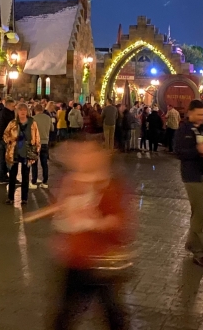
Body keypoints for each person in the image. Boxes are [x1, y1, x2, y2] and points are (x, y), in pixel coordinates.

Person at [24, 138, 132, 330]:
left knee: (113, 316)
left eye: (88, 153)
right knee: (64, 315)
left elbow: (119, 223)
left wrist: (92, 222)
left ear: (101, 157)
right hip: (74, 260)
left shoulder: (109, 185)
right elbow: (62, 215)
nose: (82, 158)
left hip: (102, 262)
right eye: (80, 154)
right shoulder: (71, 181)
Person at [174, 99, 203, 269]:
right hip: (192, 177)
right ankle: (199, 253)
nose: (202, 117)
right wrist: (197, 151)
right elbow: (178, 152)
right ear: (190, 113)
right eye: (199, 114)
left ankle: (191, 243)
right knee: (199, 214)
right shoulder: (183, 130)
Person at [4, 103, 41, 205]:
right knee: (12, 176)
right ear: (17, 112)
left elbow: (37, 137)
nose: (23, 112)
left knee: (25, 176)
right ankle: (10, 197)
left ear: (27, 111)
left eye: (24, 110)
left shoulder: (32, 123)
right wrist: (12, 139)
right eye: (20, 110)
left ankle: (24, 198)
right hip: (14, 152)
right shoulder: (13, 123)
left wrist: (36, 150)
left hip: (27, 153)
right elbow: (5, 135)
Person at [0, 99, 15, 184]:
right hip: (4, 139)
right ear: (9, 105)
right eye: (13, 106)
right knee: (2, 158)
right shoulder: (7, 114)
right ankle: (2, 177)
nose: (14, 108)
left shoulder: (0, 113)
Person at [32, 103, 53, 188]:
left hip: (35, 143)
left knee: (34, 163)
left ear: (35, 110)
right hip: (45, 142)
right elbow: (52, 128)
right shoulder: (48, 118)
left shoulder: (33, 119)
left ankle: (34, 181)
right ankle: (45, 182)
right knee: (44, 163)